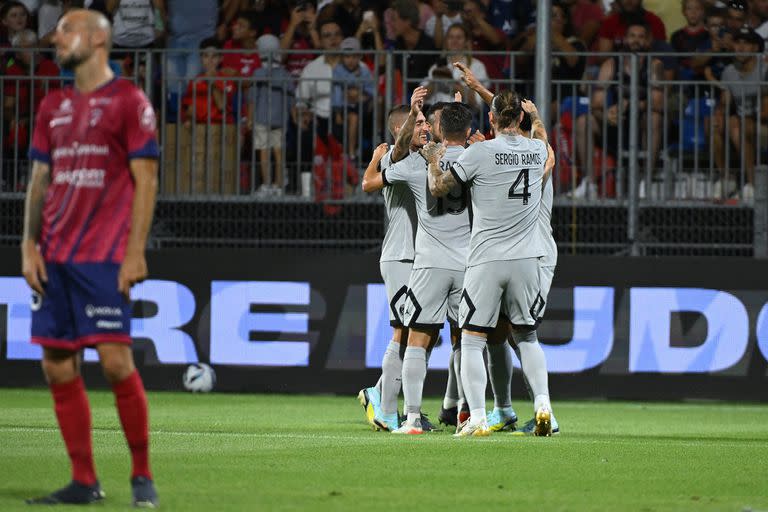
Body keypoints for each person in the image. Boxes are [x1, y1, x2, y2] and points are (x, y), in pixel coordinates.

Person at [21, 9, 159, 507]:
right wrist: (28, 245)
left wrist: (135, 252)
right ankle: (85, 481)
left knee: (117, 363)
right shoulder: (51, 104)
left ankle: (142, 476)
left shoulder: (129, 101)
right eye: (56, 31)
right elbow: (39, 181)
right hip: (53, 255)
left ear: (100, 38)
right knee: (57, 365)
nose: (57, 38)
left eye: (68, 29)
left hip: (103, 255)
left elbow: (146, 179)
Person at [422, 92, 555, 437]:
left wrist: (434, 158)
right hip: (528, 258)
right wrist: (537, 117)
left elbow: (439, 188)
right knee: (527, 336)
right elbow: (543, 140)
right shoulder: (538, 149)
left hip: (487, 258)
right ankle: (543, 404)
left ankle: (478, 416)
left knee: (472, 338)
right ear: (522, 119)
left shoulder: (478, 152)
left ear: (492, 120)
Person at [357, 87, 428, 432]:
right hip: (402, 256)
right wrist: (412, 115)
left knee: (422, 335)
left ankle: (380, 393)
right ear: (402, 128)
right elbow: (373, 176)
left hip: (423, 258)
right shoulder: (393, 158)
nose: (424, 126)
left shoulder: (424, 158)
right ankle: (385, 408)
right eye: (418, 123)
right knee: (403, 332)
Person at [712, 25, 767, 203]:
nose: (741, 47)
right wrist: (720, 114)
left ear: (756, 48)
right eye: (737, 43)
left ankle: (752, 184)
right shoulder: (729, 72)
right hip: (744, 125)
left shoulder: (765, 70)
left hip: (764, 124)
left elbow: (766, 112)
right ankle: (727, 179)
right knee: (715, 124)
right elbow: (725, 103)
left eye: (747, 43)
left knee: (739, 126)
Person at [250, 33, 294, 196]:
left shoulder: (258, 74)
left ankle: (269, 184)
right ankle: (277, 184)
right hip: (280, 118)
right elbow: (291, 98)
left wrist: (249, 117)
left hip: (262, 118)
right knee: (277, 151)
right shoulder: (285, 74)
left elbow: (252, 98)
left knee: (265, 151)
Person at [331, 36, 374, 166]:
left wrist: (358, 93)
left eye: (354, 56)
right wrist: (338, 112)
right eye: (347, 56)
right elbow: (337, 92)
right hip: (343, 106)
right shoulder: (337, 70)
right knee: (353, 117)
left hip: (362, 105)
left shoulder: (364, 70)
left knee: (359, 113)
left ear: (359, 56)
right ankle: (351, 152)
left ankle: (353, 151)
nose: (350, 60)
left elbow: (371, 91)